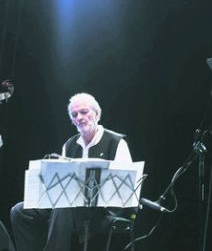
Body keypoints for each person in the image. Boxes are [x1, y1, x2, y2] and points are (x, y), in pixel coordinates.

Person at [10, 93, 132, 251]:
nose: (80, 117)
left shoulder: (116, 143)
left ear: (97, 114)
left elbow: (125, 189)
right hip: (70, 207)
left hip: (102, 210)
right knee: (19, 211)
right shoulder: (69, 145)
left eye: (84, 112)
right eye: (74, 115)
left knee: (64, 203)